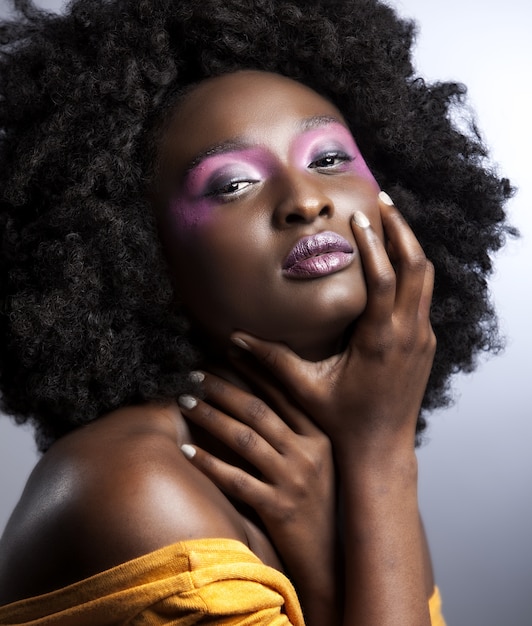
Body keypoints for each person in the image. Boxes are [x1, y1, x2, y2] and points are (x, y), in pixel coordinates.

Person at [0, 0, 514, 624]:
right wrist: (384, 458)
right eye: (233, 183)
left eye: (327, 160)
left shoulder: (334, 473)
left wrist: (335, 558)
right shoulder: (135, 488)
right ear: (132, 246)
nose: (305, 200)